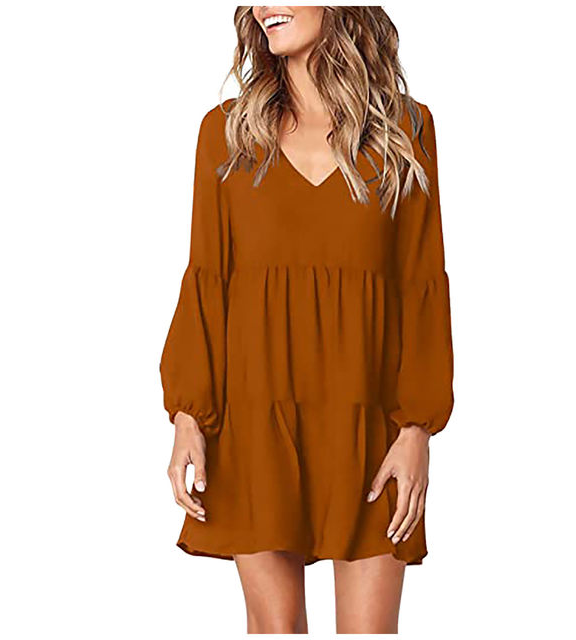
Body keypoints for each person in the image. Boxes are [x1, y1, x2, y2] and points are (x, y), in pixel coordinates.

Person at [160, 6, 454, 634]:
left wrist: (417, 430)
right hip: (255, 425)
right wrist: (188, 413)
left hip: (371, 431)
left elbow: (422, 284)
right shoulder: (226, 133)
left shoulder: (406, 129)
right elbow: (207, 278)